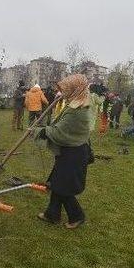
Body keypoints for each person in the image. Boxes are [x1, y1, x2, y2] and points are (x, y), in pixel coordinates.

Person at [35, 74, 91, 229]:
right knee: (57, 183)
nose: (63, 92)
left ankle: (77, 216)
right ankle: (52, 215)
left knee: (63, 187)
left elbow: (60, 132)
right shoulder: (74, 104)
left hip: (74, 154)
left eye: (66, 89)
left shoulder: (77, 110)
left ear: (74, 90)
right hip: (69, 152)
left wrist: (41, 131)